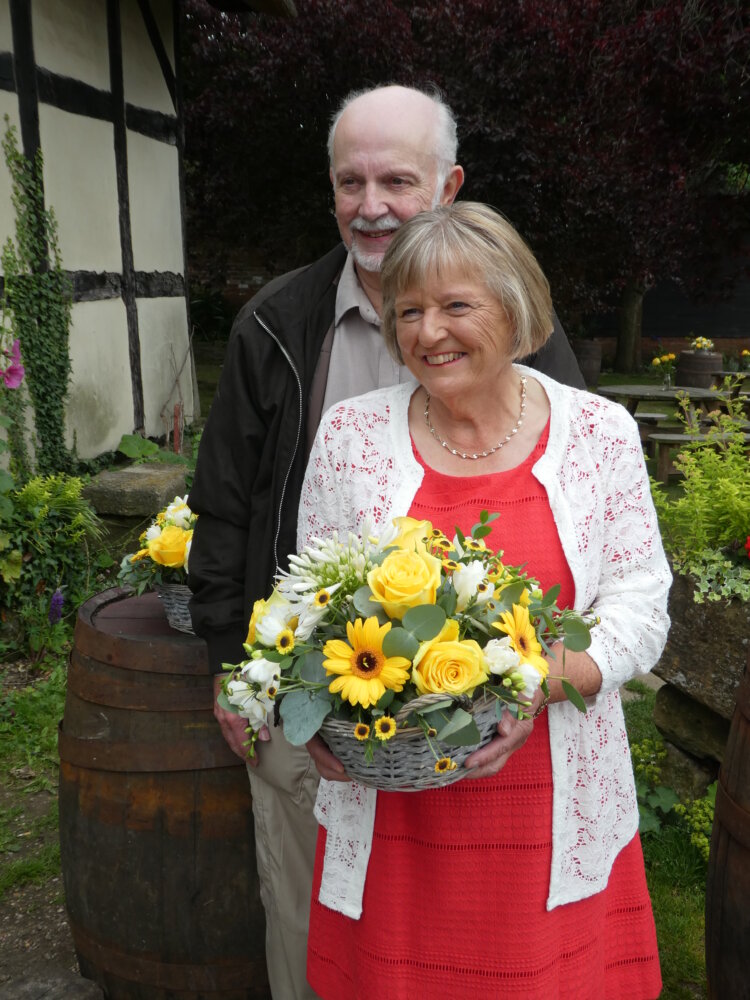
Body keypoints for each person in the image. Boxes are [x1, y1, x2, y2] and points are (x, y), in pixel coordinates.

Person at [188, 86, 585, 999]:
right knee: (311, 909)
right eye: (349, 181)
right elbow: (223, 504)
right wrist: (229, 665)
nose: (372, 205)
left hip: (475, 709)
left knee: (466, 931)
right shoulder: (277, 325)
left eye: (397, 180)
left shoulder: (517, 322)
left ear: (448, 185)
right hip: (310, 692)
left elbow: (564, 496)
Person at [298, 202, 671, 999]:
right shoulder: (349, 436)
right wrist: (304, 710)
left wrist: (544, 680)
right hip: (393, 802)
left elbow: (641, 599)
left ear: (516, 309)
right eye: (408, 311)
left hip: (546, 802)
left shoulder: (599, 434)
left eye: (456, 305)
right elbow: (308, 596)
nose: (429, 332)